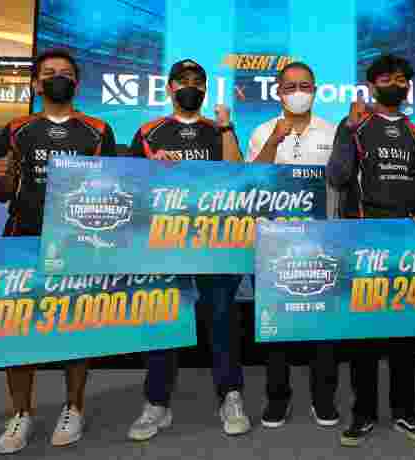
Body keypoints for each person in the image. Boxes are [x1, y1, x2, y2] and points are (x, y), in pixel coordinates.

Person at [0, 49, 116, 454]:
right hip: (23, 235)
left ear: (76, 83)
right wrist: (0, 178)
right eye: (48, 73)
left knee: (75, 326)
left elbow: (111, 188)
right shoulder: (16, 128)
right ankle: (20, 413)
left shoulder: (98, 129)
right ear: (35, 83)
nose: (57, 77)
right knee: (17, 325)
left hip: (79, 241)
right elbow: (1, 192)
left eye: (64, 73)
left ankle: (73, 408)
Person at [126, 59, 248, 439]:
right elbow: (129, 187)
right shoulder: (149, 132)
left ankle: (230, 395)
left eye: (197, 81)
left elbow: (237, 175)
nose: (190, 86)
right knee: (164, 317)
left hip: (216, 241)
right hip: (165, 241)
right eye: (183, 81)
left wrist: (226, 126)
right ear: (170, 88)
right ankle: (156, 403)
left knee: (223, 317)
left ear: (205, 89)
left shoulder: (218, 130)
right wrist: (151, 170)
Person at [326, 54, 415, 447]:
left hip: (404, 242)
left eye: (402, 78)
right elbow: (337, 176)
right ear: (372, 86)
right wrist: (346, 131)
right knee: (364, 335)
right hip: (362, 240)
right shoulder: (355, 126)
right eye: (388, 78)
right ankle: (364, 413)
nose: (397, 83)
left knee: (405, 332)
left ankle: (405, 410)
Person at [246, 61, 340, 428]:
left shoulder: (332, 131)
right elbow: (252, 182)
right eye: (290, 86)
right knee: (275, 327)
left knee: (323, 326)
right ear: (278, 92)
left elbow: (343, 181)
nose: (298, 92)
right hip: (274, 244)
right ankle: (277, 398)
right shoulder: (262, 131)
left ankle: (324, 397)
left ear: (315, 90)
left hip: (322, 241)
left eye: (305, 86)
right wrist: (274, 141)